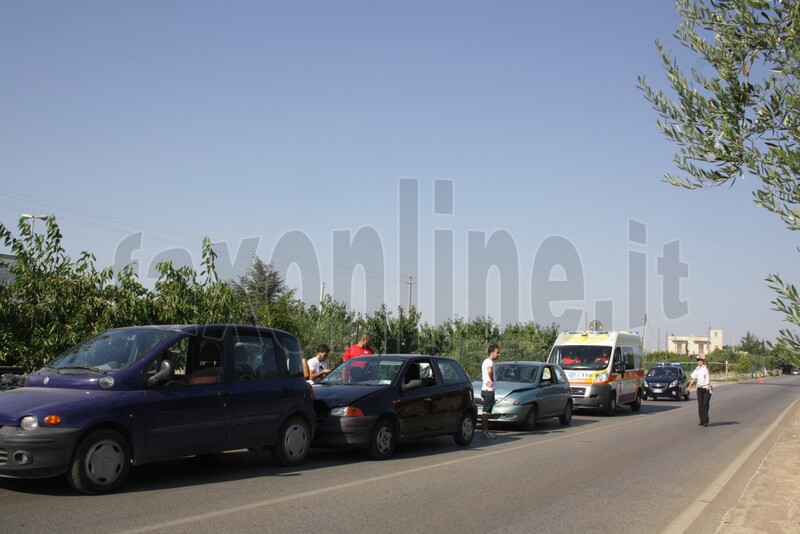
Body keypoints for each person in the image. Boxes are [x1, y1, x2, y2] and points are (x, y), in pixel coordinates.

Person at [480, 344, 501, 439]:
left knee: (486, 411)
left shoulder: (486, 361)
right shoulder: (489, 362)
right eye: (497, 352)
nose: (498, 354)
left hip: (485, 389)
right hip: (488, 390)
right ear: (492, 352)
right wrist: (491, 380)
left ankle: (485, 430)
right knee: (486, 412)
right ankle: (485, 431)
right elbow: (489, 371)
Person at [687, 354, 712, 426]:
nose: (699, 362)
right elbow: (693, 378)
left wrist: (705, 359)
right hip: (700, 389)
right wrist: (689, 387)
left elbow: (707, 364)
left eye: (701, 360)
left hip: (706, 388)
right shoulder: (697, 369)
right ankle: (701, 420)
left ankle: (705, 421)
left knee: (705, 404)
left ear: (703, 361)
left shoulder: (706, 367)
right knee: (700, 405)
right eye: (698, 361)